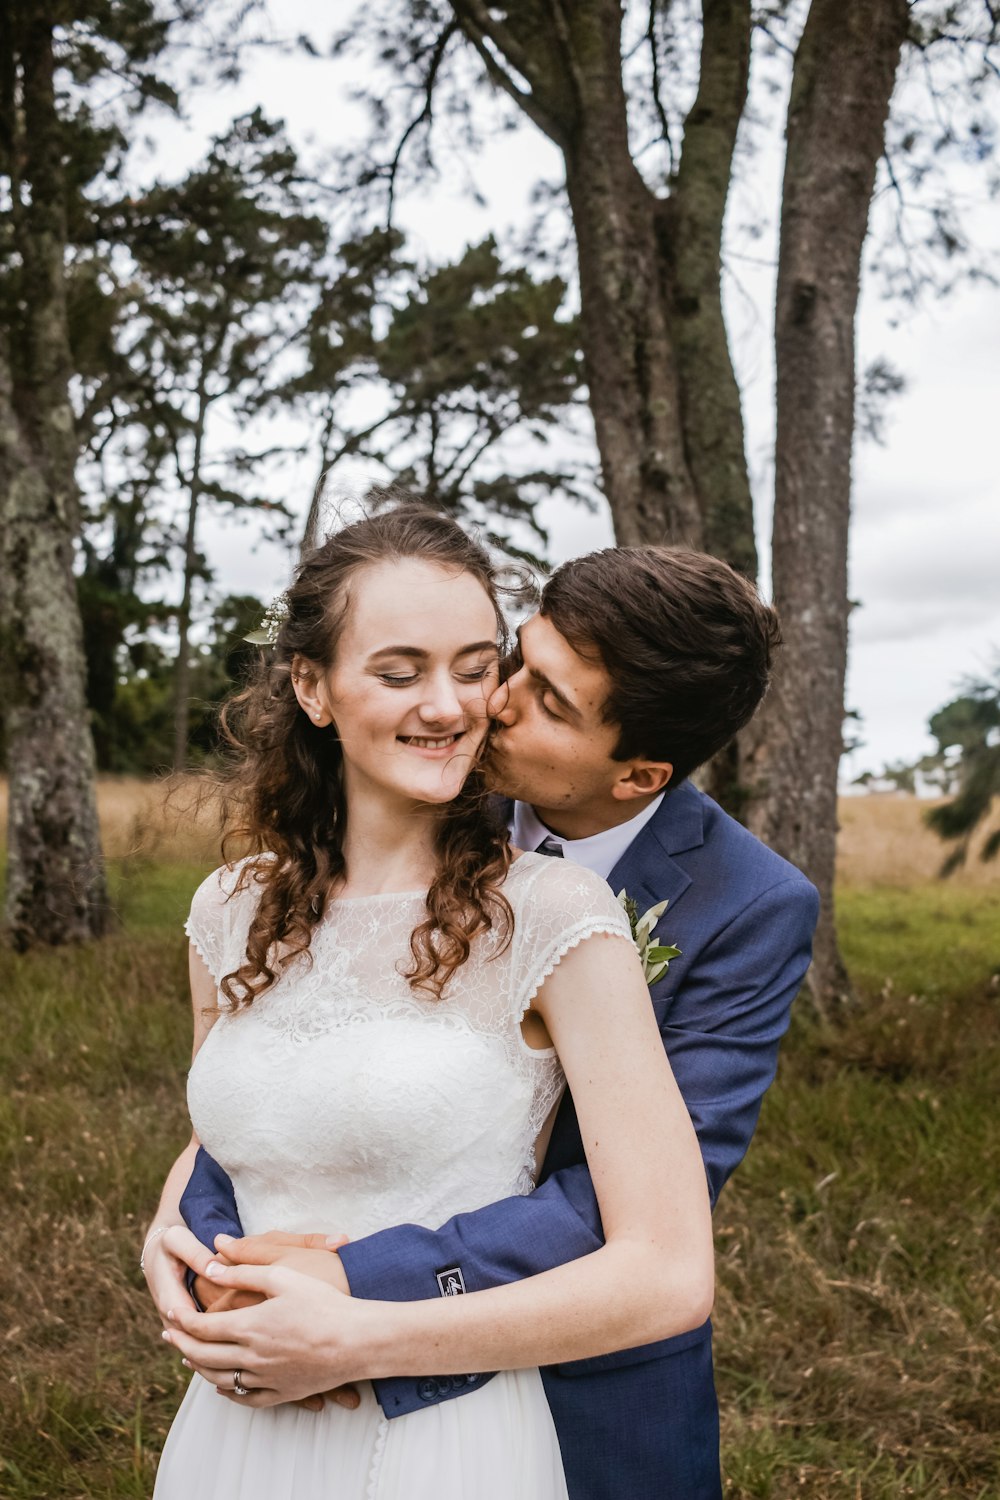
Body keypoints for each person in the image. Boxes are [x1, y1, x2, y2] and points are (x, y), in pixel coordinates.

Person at [150, 534, 819, 1499]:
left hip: (569, 1374)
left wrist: (357, 1300)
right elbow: (271, 1085)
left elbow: (623, 1209)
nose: (484, 702)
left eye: (547, 701)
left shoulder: (734, 906)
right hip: (266, 1380)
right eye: (515, 657)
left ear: (637, 775)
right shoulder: (391, 802)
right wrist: (186, 1236)